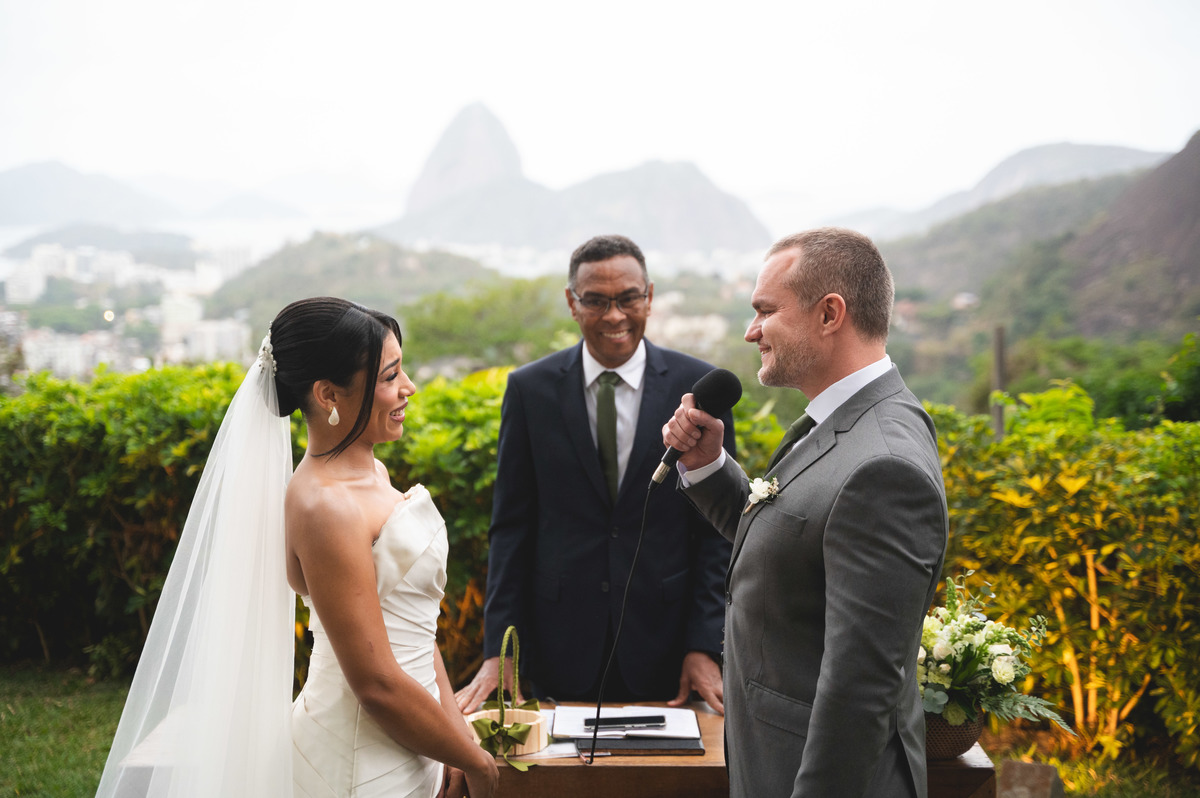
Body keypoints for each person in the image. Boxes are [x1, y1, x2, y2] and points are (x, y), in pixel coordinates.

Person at [96, 297, 498, 798]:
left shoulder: (373, 472)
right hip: (358, 763)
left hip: (418, 739)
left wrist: (455, 743)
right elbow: (374, 684)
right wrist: (478, 765)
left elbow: (413, 632)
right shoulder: (323, 507)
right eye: (390, 376)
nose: (408, 388)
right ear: (328, 394)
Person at [662, 228, 948, 798]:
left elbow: (860, 693)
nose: (751, 331)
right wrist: (709, 466)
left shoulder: (885, 466)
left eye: (765, 311)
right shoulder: (839, 422)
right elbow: (788, 537)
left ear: (829, 314)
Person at [454, 235, 736, 714]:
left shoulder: (697, 387)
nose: (614, 316)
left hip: (668, 651)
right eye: (596, 301)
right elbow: (510, 530)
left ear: (648, 296)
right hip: (556, 647)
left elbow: (717, 533)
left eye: (627, 299)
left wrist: (704, 645)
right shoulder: (529, 390)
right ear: (572, 302)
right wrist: (499, 651)